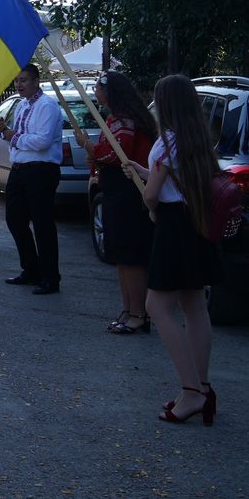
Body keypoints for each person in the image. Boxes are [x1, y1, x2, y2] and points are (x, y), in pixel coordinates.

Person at [133, 74, 225, 424]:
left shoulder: (165, 141)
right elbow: (172, 179)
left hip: (174, 227)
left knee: (156, 305)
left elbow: (152, 194)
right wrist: (142, 169)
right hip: (196, 222)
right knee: (194, 305)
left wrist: (150, 204)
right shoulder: (197, 137)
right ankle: (201, 386)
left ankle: (191, 392)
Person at [91, 73, 157, 335]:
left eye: (97, 87)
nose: (95, 91)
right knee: (119, 255)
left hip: (129, 195)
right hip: (114, 193)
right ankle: (128, 309)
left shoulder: (126, 121)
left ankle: (139, 314)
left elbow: (117, 154)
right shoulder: (113, 119)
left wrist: (91, 148)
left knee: (131, 257)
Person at [0, 64, 63, 294]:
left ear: (36, 81)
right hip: (20, 167)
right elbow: (19, 136)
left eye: (23, 80)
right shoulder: (23, 105)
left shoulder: (48, 106)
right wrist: (8, 133)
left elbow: (41, 141)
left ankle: (50, 277)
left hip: (41, 170)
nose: (19, 84)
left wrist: (13, 136)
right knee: (15, 219)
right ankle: (30, 269)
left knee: (42, 223)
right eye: (16, 80)